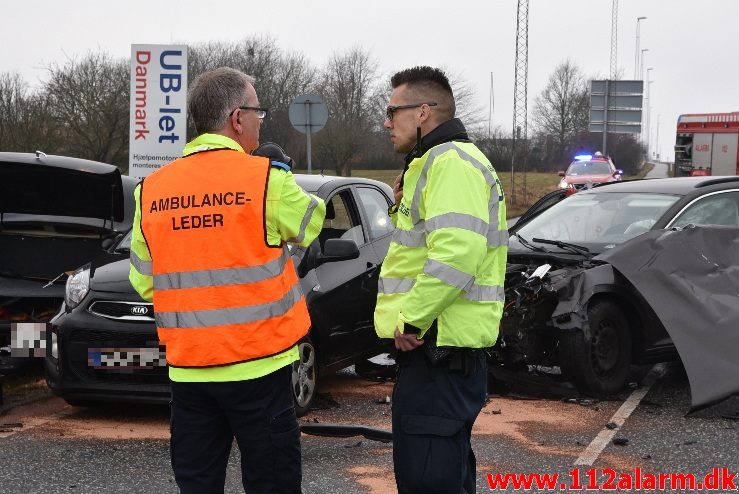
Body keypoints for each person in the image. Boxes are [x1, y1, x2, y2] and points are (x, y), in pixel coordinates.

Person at [128, 67, 325, 494]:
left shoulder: (151, 191)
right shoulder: (266, 179)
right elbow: (312, 222)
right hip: (261, 368)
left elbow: (146, 283)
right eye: (258, 112)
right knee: (272, 482)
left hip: (190, 373)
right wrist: (283, 173)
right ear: (237, 118)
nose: (260, 121)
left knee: (197, 485)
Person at [374, 66, 508, 494]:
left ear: (423, 112)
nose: (386, 121)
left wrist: (412, 319)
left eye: (393, 111)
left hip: (438, 352)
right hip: (438, 354)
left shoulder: (451, 163)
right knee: (440, 475)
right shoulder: (435, 163)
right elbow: (425, 246)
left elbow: (456, 255)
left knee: (429, 480)